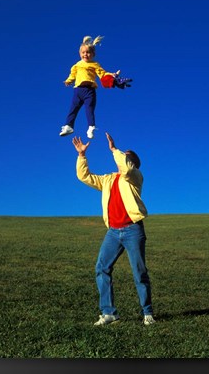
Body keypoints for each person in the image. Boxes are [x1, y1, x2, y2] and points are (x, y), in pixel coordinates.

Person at [72, 133, 156, 326]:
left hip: (132, 230)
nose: (121, 159)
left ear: (132, 163)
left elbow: (126, 169)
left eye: (125, 157)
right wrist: (82, 156)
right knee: (101, 268)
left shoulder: (135, 177)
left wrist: (113, 149)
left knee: (139, 272)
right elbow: (84, 176)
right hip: (113, 232)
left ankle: (147, 313)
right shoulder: (109, 180)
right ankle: (109, 313)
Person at [59, 36, 119, 139]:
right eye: (83, 52)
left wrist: (111, 75)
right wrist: (68, 81)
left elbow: (102, 74)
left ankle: (91, 127)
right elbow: (72, 75)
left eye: (88, 52)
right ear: (80, 54)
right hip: (78, 90)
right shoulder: (76, 65)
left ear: (93, 54)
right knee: (73, 109)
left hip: (89, 90)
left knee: (89, 109)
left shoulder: (95, 64)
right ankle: (68, 126)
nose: (85, 54)